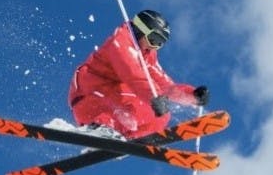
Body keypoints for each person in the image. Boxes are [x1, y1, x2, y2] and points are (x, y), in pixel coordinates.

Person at [68, 9, 209, 139]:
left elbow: (164, 84)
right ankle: (99, 128)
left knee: (161, 116)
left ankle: (126, 139)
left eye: (160, 43)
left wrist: (192, 96)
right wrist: (154, 97)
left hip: (113, 99)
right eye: (154, 39)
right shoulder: (120, 42)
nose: (155, 46)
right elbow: (133, 75)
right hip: (90, 97)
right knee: (143, 105)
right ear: (140, 30)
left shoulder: (147, 56)